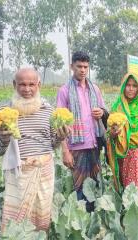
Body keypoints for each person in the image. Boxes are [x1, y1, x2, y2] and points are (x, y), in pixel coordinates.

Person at [0, 68, 69, 232]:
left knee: (42, 218)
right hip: (18, 172)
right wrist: (4, 139)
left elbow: (52, 143)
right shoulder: (2, 113)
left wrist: (61, 137)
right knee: (15, 222)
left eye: (31, 84)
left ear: (39, 84)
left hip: (44, 170)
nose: (27, 89)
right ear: (14, 85)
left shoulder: (49, 111)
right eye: (22, 84)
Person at [56, 51, 109, 212]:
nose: (83, 70)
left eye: (86, 66)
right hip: (76, 147)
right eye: (79, 66)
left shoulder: (95, 89)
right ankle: (82, 223)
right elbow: (60, 123)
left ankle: (95, 221)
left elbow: (105, 111)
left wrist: (102, 112)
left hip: (94, 145)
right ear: (72, 66)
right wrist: (65, 151)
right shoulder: (65, 91)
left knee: (95, 184)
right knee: (79, 186)